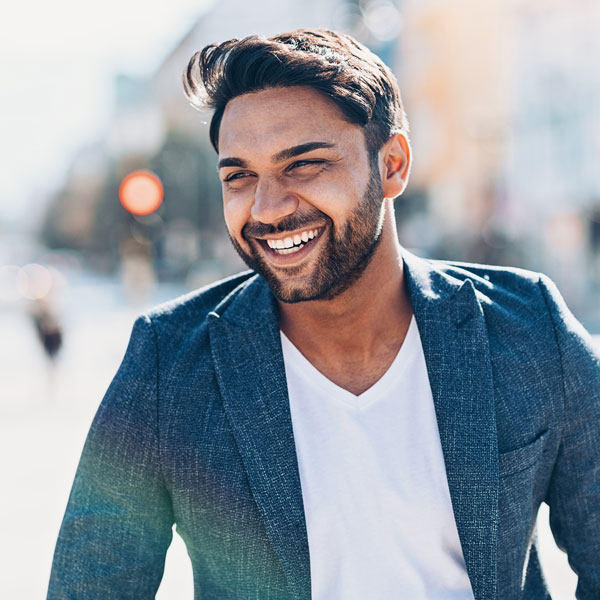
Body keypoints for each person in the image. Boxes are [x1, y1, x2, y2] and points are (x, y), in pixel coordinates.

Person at [47, 29, 600, 600]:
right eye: (240, 176)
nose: (267, 208)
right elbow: (87, 587)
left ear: (392, 165)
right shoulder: (170, 363)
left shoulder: (526, 327)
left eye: (304, 165)